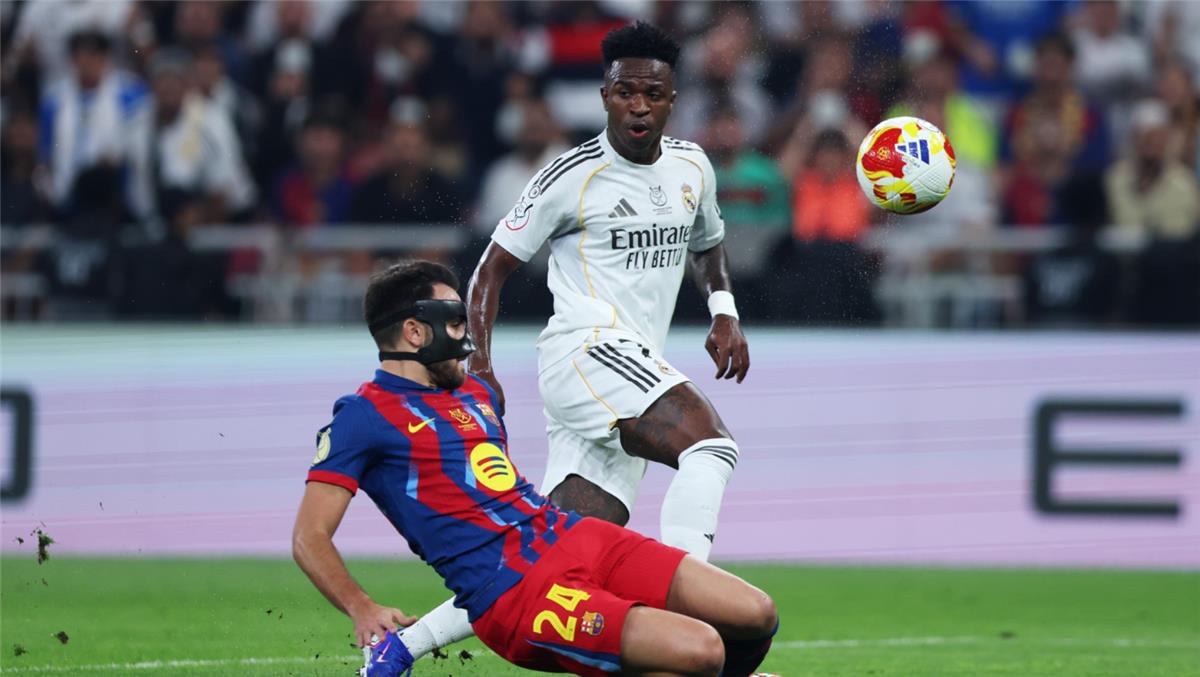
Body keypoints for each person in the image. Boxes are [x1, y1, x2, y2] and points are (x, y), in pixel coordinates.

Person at [381, 20, 754, 669]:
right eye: (625, 92)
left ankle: (401, 645)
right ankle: (689, 610)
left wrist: (723, 311)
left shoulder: (693, 166)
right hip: (585, 348)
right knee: (710, 446)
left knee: (552, 551)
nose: (639, 106)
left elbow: (709, 242)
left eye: (653, 94)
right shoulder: (569, 175)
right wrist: (478, 365)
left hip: (632, 365)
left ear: (672, 100)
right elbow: (489, 270)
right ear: (606, 96)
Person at [292, 260, 778, 677]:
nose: (466, 336)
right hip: (514, 594)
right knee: (701, 651)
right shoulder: (362, 417)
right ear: (415, 332)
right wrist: (361, 607)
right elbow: (309, 537)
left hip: (574, 536)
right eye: (455, 322)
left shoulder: (475, 394)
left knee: (755, 614)